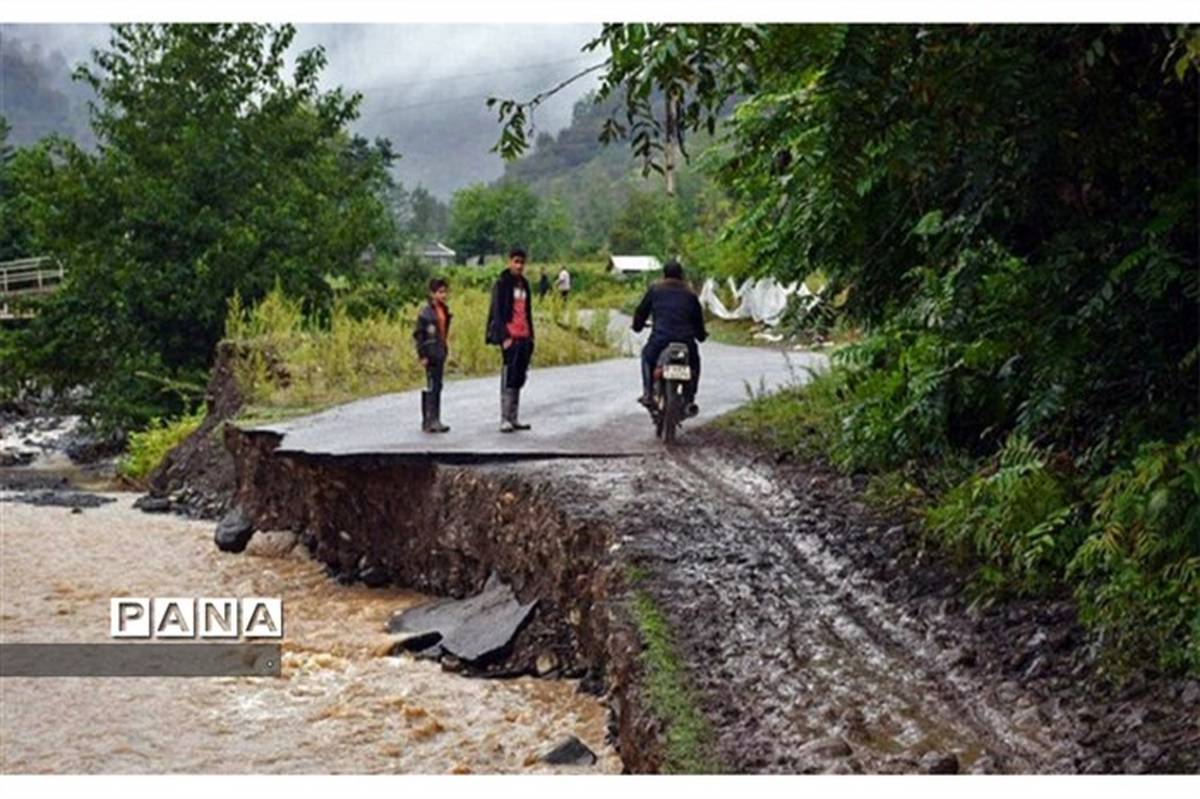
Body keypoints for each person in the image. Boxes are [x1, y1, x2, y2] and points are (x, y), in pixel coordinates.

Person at [631, 258, 707, 417]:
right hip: (685, 341)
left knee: (647, 356)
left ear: (664, 274)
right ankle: (690, 398)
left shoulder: (655, 289)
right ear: (681, 275)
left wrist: (637, 326)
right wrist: (700, 335)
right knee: (694, 363)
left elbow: (641, 312)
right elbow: (698, 320)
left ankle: (648, 393)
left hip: (660, 339)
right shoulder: (690, 293)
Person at [486, 247, 535, 432]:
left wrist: (531, 336)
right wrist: (503, 337)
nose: (519, 266)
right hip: (510, 336)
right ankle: (504, 418)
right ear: (509, 262)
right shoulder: (502, 284)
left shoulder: (525, 285)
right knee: (508, 376)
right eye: (516, 262)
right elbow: (497, 312)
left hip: (524, 335)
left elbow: (527, 312)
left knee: (519, 377)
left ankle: (514, 417)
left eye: (522, 262)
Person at [413, 277, 452, 433]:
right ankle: (429, 420)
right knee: (431, 385)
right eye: (439, 292)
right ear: (432, 293)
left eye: (444, 292)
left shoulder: (444, 310)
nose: (443, 295)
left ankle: (435, 418)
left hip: (440, 350)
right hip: (430, 352)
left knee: (438, 385)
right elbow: (419, 335)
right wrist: (422, 354)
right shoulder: (425, 313)